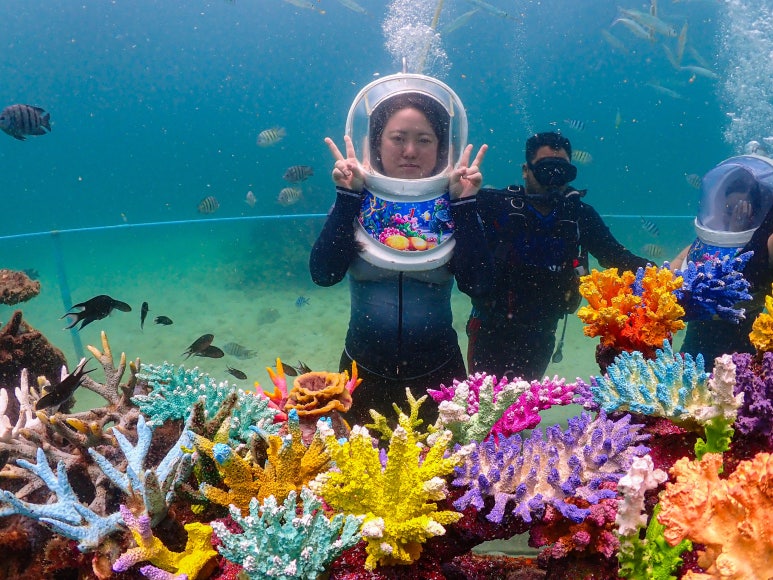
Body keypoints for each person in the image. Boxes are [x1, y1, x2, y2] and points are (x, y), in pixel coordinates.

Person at [310, 74, 492, 423]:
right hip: (361, 373)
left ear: (441, 147)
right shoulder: (355, 200)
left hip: (440, 375)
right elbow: (323, 274)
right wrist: (347, 197)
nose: (410, 151)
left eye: (424, 140)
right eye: (398, 138)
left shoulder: (456, 203)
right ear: (376, 143)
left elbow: (479, 284)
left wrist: (465, 207)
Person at [467, 131, 650, 381]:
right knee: (482, 399)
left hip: (543, 330)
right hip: (491, 327)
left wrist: (663, 274)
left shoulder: (579, 215)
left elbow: (616, 256)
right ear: (526, 170)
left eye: (561, 172)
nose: (553, 181)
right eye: (545, 170)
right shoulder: (496, 205)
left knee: (527, 399)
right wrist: (463, 197)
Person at [674, 155, 773, 365]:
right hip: (693, 351)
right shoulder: (701, 245)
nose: (734, 217)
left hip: (743, 355)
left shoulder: (766, 246)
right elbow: (666, 279)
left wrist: (739, 228)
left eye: (743, 211)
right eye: (728, 210)